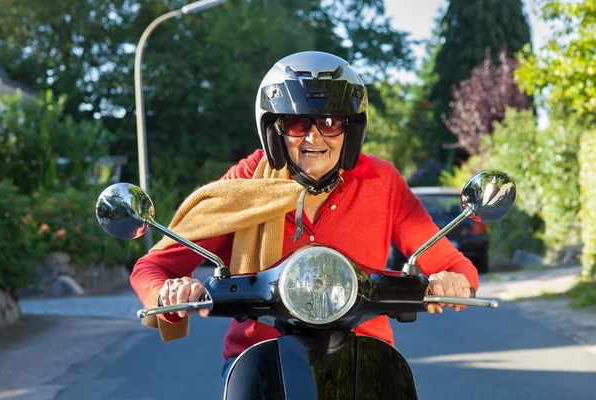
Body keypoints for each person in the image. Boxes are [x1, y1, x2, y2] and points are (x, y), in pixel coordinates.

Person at [129, 51, 478, 382]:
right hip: (260, 358)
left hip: (365, 359)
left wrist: (451, 280)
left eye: (330, 122)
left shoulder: (381, 182)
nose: (314, 137)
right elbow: (152, 268)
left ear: (351, 129)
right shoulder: (245, 184)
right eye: (296, 123)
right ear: (274, 130)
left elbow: (458, 266)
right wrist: (171, 293)